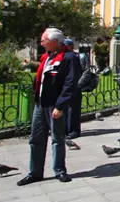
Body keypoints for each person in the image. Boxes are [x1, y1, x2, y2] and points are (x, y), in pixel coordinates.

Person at [18, 28, 79, 186]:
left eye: (44, 40)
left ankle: (59, 170)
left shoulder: (69, 57)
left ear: (54, 41)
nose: (41, 43)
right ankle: (35, 172)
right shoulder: (46, 57)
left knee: (57, 139)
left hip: (55, 104)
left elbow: (70, 83)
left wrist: (60, 105)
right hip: (40, 103)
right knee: (35, 138)